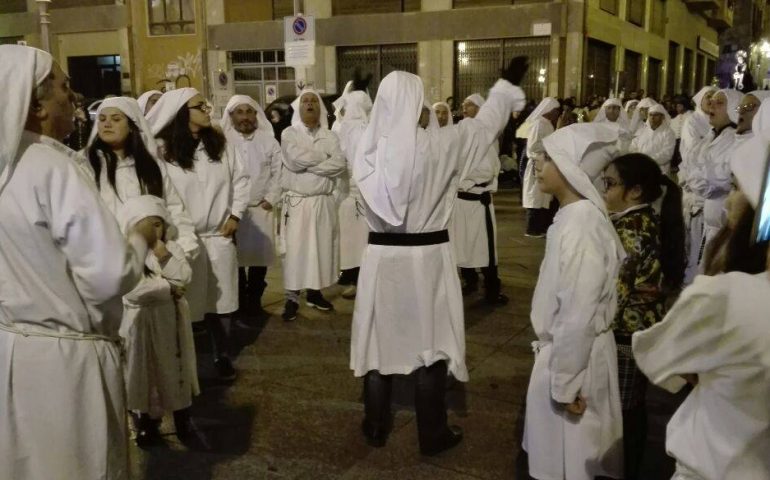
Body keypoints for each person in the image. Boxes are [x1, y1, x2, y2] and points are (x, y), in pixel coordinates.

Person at [351, 58, 528, 455]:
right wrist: (503, 86)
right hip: (428, 258)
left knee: (379, 342)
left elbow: (349, 119)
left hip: (382, 258)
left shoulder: (363, 147)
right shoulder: (444, 142)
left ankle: (375, 424)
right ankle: (432, 434)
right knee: (429, 345)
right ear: (418, 104)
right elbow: (486, 127)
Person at [0, 44, 150, 480]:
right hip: (64, 366)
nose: (73, 98)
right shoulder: (52, 167)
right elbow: (110, 275)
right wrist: (141, 238)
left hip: (10, 350)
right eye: (64, 88)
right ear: (36, 105)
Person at [631, 150, 770, 478]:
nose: (728, 200)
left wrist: (703, 363)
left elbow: (657, 356)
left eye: (735, 188)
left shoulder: (726, 296)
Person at [523, 123, 624, 480]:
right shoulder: (571, 217)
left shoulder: (581, 223)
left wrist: (565, 384)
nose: (537, 162)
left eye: (548, 157)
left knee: (574, 461)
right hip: (568, 355)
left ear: (569, 169)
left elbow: (577, 311)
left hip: (577, 361)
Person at [147, 87, 250, 381]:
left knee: (222, 303)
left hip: (217, 237)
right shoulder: (162, 150)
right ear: (182, 113)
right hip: (182, 240)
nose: (207, 110)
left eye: (205, 105)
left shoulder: (221, 144)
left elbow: (241, 180)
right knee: (184, 304)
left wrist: (235, 215)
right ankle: (181, 360)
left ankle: (222, 355)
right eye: (199, 106)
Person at [602, 153, 685, 479]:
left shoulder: (630, 229)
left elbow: (616, 292)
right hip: (640, 328)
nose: (604, 190)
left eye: (609, 184)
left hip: (625, 332)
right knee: (633, 405)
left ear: (634, 191)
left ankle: (625, 468)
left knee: (624, 411)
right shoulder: (646, 218)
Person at [116, 195, 203, 448]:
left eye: (157, 224)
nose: (154, 231)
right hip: (138, 323)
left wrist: (165, 258)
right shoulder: (126, 254)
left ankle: (182, 417)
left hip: (169, 322)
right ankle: (145, 422)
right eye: (146, 226)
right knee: (140, 371)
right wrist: (168, 288)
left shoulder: (172, 249)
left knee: (173, 367)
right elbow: (132, 291)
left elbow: (184, 277)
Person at [280, 88, 346, 321]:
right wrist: (323, 159)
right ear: (299, 108)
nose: (309, 104)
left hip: (322, 202)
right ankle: (291, 297)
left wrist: (311, 164)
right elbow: (294, 159)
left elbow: (339, 164)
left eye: (314, 102)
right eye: (305, 101)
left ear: (320, 108)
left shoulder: (331, 137)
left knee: (319, 249)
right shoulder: (289, 133)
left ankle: (315, 293)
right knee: (296, 251)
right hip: (298, 204)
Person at [220, 94, 282, 317]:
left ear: (256, 115)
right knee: (234, 260)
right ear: (231, 116)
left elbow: (278, 172)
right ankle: (238, 301)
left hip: (260, 209)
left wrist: (271, 198)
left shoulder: (269, 141)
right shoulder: (222, 141)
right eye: (240, 112)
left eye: (249, 112)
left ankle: (254, 300)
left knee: (258, 260)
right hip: (230, 213)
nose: (245, 117)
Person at [450, 92, 508, 304]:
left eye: (470, 105)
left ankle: (492, 289)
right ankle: (469, 280)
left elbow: (489, 169)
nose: (465, 108)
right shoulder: (461, 133)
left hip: (478, 202)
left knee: (485, 248)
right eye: (463, 105)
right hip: (461, 201)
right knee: (463, 244)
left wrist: (464, 177)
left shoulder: (487, 135)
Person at [687, 89, 740, 276]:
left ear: (733, 109)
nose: (711, 105)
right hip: (708, 217)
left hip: (723, 219)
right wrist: (701, 176)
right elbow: (691, 168)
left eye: (719, 103)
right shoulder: (710, 136)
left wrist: (700, 176)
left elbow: (720, 179)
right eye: (711, 101)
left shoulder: (735, 139)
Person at [335, 87, 373, 299]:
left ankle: (361, 281)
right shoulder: (350, 128)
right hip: (349, 194)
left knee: (361, 241)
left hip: (359, 193)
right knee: (353, 240)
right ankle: (353, 276)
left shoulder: (358, 130)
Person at [522, 97, 561, 237]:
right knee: (535, 196)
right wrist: (551, 145)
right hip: (537, 163)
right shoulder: (538, 124)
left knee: (543, 197)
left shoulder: (547, 124)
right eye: (556, 110)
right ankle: (532, 229)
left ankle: (540, 227)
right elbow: (533, 146)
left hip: (545, 163)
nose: (557, 113)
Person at [630, 103, 677, 174]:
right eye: (650, 115)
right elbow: (633, 147)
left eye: (656, 115)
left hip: (659, 170)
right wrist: (639, 159)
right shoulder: (642, 130)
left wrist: (647, 160)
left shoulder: (668, 132)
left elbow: (667, 154)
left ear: (662, 117)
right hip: (640, 168)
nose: (652, 117)